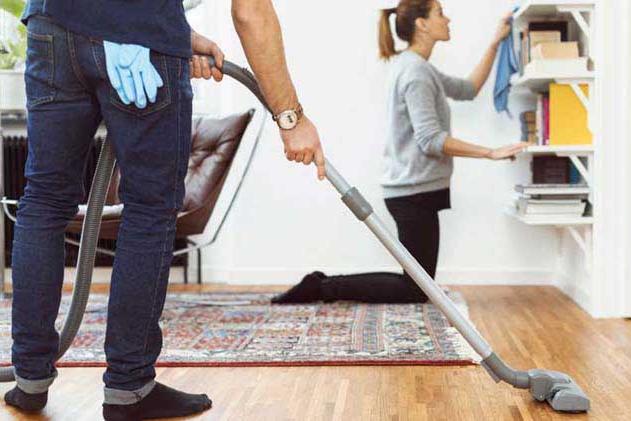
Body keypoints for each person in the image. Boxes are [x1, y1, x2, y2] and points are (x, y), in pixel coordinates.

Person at [5, 0, 324, 419]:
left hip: (53, 26)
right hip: (140, 32)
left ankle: (29, 379)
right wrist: (291, 118)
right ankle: (129, 387)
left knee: (44, 200)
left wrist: (176, 34)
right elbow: (251, 12)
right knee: (150, 208)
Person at [272, 0, 527, 305]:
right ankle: (321, 287)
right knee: (417, 288)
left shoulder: (419, 68)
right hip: (412, 192)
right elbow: (431, 139)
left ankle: (322, 286)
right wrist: (490, 152)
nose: (447, 20)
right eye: (440, 14)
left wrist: (495, 42)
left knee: (419, 284)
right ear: (422, 24)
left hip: (417, 188)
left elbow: (468, 89)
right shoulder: (416, 73)